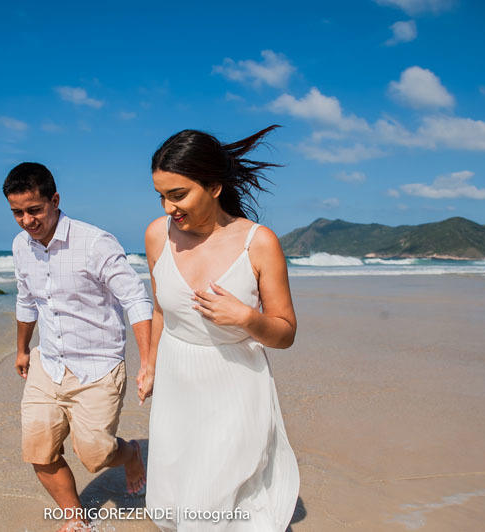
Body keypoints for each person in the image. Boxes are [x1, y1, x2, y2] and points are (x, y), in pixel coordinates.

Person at [141, 126, 300, 531]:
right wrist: (150, 365)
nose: (169, 207)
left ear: (214, 187)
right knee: (174, 500)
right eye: (162, 196)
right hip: (177, 382)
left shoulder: (258, 243)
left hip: (233, 384)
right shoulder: (157, 235)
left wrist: (247, 318)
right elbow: (160, 310)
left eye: (178, 195)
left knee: (210, 501)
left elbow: (285, 333)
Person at [3, 162, 152, 532]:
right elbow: (26, 300)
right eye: (17, 212)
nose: (26, 221)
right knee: (38, 450)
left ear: (54, 201)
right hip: (48, 364)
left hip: (98, 367)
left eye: (34, 210)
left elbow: (136, 299)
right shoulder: (21, 246)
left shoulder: (95, 243)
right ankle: (75, 518)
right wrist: (22, 349)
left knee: (96, 455)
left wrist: (148, 362)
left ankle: (131, 452)